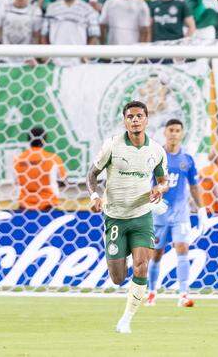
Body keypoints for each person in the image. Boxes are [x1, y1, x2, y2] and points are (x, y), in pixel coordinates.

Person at [86, 101, 168, 334]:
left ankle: (126, 320)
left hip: (142, 216)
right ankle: (122, 262)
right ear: (124, 120)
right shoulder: (112, 146)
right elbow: (91, 174)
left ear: (146, 119)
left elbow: (164, 182)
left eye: (139, 116)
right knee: (117, 277)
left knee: (142, 266)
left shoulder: (156, 151)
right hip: (114, 217)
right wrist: (94, 196)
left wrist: (158, 190)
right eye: (130, 116)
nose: (135, 120)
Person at [146, 119, 205, 308]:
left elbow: (194, 187)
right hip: (159, 215)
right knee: (156, 254)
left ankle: (183, 294)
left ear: (182, 133)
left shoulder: (187, 160)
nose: (174, 133)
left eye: (177, 130)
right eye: (171, 129)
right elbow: (146, 183)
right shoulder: (156, 157)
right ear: (165, 132)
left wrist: (201, 210)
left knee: (182, 248)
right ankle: (151, 292)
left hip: (180, 214)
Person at [12, 127, 67, 211]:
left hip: (24, 207)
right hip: (49, 206)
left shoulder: (18, 159)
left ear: (29, 139)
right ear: (44, 140)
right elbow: (64, 181)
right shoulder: (53, 158)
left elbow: (16, 182)